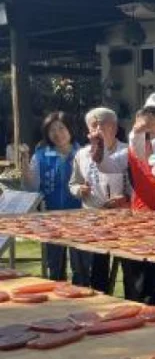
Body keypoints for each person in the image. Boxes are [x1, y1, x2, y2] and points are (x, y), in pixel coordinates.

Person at [100, 106, 155, 304]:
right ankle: (136, 308)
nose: (145, 128)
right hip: (139, 219)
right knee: (137, 273)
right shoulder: (130, 151)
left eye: (151, 124)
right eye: (141, 124)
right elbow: (108, 165)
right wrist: (99, 148)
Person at [68, 108, 129, 292]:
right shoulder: (82, 154)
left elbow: (136, 185)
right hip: (93, 217)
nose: (99, 128)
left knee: (129, 266)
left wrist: (126, 197)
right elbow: (73, 183)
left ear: (115, 128)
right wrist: (80, 190)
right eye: (94, 125)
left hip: (124, 219)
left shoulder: (127, 151)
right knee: (97, 268)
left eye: (103, 123)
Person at [21, 112, 86, 283]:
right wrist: (25, 164)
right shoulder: (41, 155)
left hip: (81, 217)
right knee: (55, 268)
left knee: (81, 268)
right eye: (52, 130)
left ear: (70, 129)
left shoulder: (84, 153)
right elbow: (31, 186)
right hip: (51, 218)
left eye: (61, 128)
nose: (57, 133)